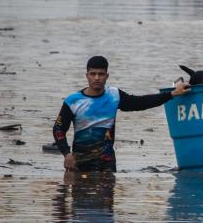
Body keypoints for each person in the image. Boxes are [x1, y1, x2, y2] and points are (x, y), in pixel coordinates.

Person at [53, 55, 190, 172]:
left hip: (107, 164)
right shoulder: (73, 101)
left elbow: (141, 102)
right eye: (93, 74)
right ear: (86, 75)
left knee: (105, 200)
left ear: (107, 76)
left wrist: (172, 94)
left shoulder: (114, 95)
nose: (96, 78)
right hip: (79, 165)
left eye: (100, 74)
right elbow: (58, 129)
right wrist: (66, 154)